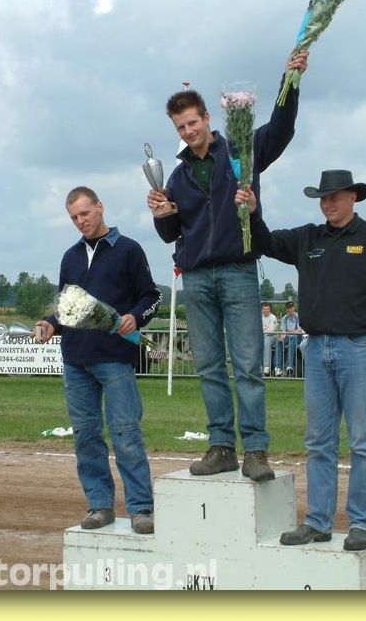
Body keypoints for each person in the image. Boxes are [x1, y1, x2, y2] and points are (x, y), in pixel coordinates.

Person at [236, 169, 366, 550]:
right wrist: (253, 212)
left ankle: (361, 523)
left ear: (353, 197)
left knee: (361, 441)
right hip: (316, 349)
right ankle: (318, 521)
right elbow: (265, 242)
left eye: (334, 197)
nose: (327, 203)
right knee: (318, 442)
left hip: (357, 349)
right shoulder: (308, 238)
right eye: (323, 198)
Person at [146, 50, 309, 482]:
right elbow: (171, 234)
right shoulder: (177, 177)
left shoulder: (242, 147)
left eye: (192, 122)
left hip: (238, 271)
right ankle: (221, 446)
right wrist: (161, 213)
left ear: (207, 118)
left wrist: (290, 81)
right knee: (209, 368)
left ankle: (255, 450)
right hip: (196, 277)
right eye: (180, 128)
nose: (188, 131)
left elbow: (282, 129)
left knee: (249, 366)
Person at [35, 186, 162, 535]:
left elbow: (152, 296)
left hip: (116, 358)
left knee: (126, 434)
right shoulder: (70, 257)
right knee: (86, 437)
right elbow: (66, 308)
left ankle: (141, 508)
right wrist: (50, 323)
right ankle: (99, 505)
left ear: (100, 207)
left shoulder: (129, 250)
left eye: (85, 213)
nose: (81, 221)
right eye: (74, 217)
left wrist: (136, 316)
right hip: (76, 360)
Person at [274, 300, 303, 377]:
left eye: (291, 307)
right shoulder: (284, 318)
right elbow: (283, 330)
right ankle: (278, 368)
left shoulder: (298, 317)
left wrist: (292, 332)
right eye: (288, 308)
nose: (290, 309)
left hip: (297, 337)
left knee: (291, 340)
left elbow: (300, 329)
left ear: (294, 308)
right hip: (288, 336)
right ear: (286, 309)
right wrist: (282, 337)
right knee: (279, 342)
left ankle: (289, 367)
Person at [261, 302, 279, 376]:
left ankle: (267, 367)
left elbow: (271, 331)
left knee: (267, 339)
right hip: (262, 337)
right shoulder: (259, 317)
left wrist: (263, 330)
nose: (266, 310)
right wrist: (266, 329)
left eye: (267, 309)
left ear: (270, 309)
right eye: (264, 309)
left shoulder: (273, 317)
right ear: (262, 309)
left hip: (272, 338)